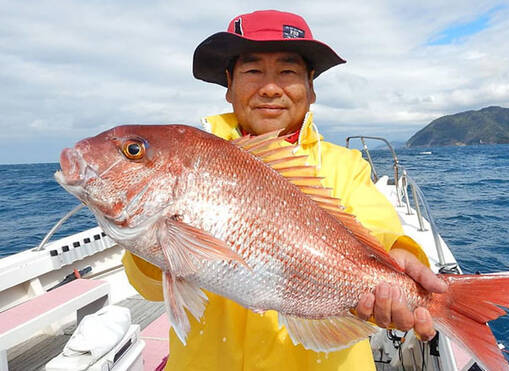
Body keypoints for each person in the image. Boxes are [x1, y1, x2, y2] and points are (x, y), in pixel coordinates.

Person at [122, 10, 447, 371]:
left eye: (288, 72)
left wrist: (399, 253)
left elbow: (378, 226)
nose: (271, 87)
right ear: (229, 85)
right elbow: (150, 288)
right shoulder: (194, 163)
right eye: (253, 71)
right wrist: (152, 233)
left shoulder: (344, 165)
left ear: (310, 87)